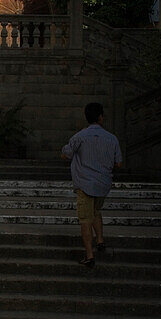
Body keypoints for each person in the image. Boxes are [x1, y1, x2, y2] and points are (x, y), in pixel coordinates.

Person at [61, 102, 122, 268]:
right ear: (100, 117)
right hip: (103, 184)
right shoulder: (112, 138)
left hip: (85, 183)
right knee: (96, 211)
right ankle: (100, 240)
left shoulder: (79, 137)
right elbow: (118, 163)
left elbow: (66, 154)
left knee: (85, 219)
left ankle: (89, 255)